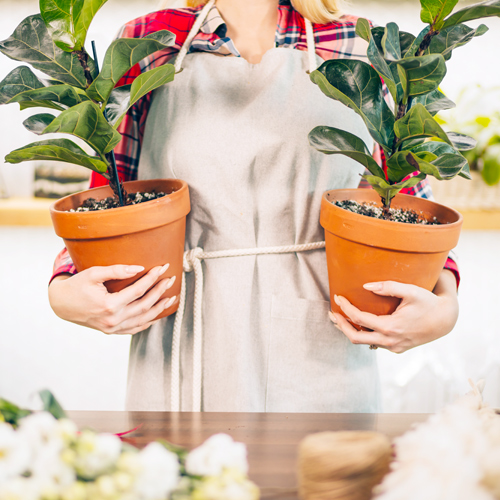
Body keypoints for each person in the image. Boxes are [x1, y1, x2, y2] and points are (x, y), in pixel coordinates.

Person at [48, 0, 460, 413]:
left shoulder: (360, 46)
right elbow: (108, 201)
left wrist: (444, 307)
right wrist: (64, 290)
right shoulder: (149, 41)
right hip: (184, 347)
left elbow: (408, 209)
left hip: (321, 355)